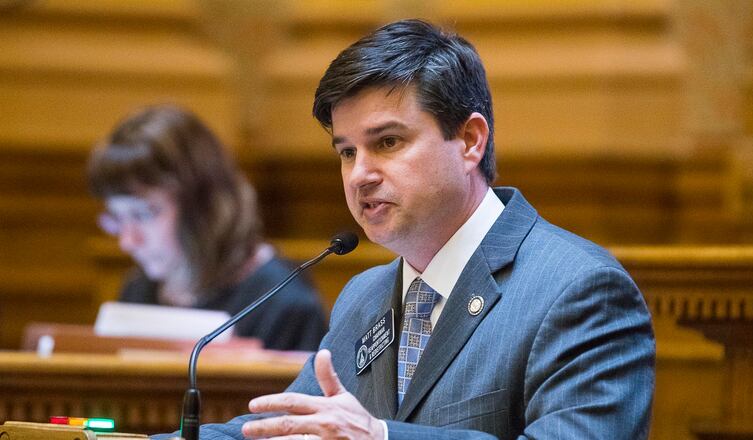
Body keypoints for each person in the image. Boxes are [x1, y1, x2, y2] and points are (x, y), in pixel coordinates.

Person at [165, 19, 655, 439]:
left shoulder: (578, 289)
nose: (360, 174)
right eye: (347, 152)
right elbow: (288, 428)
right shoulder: (365, 294)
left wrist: (379, 436)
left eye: (388, 142)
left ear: (469, 141)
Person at [87, 105, 328, 351]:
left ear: (203, 204)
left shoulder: (286, 304)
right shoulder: (139, 290)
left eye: (144, 214)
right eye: (118, 218)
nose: (128, 240)